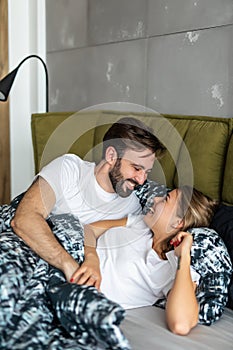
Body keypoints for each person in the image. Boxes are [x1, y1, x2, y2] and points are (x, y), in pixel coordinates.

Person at [11, 117, 166, 282]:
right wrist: (69, 266)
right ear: (112, 156)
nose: (141, 180)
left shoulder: (132, 208)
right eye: (136, 168)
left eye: (147, 172)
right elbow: (24, 219)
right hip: (24, 258)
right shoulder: (69, 170)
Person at [72, 186, 232, 335]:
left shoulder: (172, 267)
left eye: (166, 199)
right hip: (71, 255)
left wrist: (184, 256)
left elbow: (180, 324)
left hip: (74, 288)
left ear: (178, 222)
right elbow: (89, 229)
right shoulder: (140, 222)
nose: (155, 199)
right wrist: (91, 258)